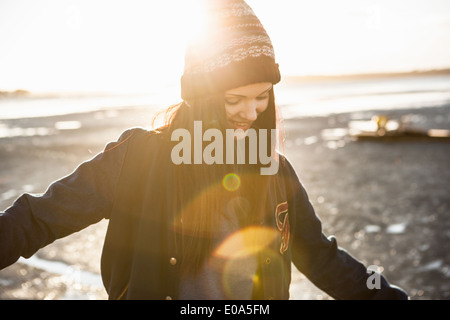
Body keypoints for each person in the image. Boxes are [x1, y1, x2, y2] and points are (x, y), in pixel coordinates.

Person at [0, 0, 408, 300]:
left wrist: (389, 296)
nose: (251, 112)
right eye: (235, 99)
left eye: (262, 96)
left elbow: (322, 257)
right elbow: (38, 218)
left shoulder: (273, 171)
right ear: (201, 97)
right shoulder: (138, 159)